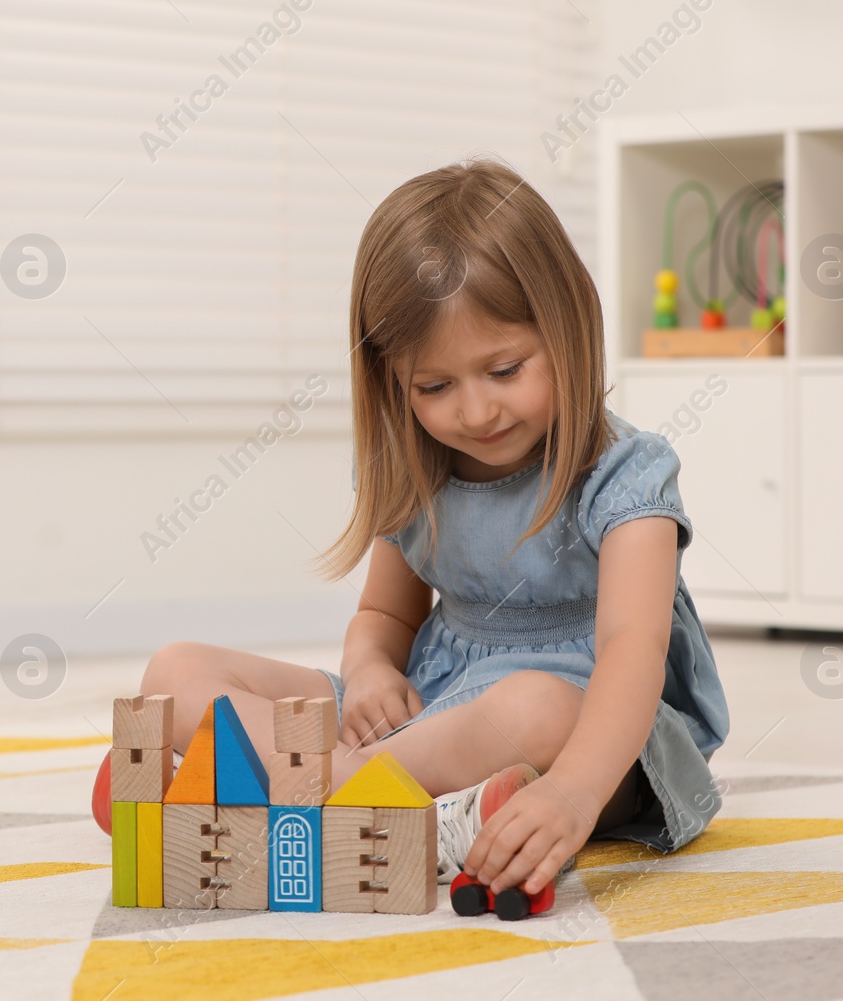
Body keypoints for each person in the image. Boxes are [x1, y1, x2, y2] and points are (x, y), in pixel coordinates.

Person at [109, 156, 729, 901]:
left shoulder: (625, 475)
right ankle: (386, 799)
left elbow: (634, 652)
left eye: (504, 370)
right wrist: (370, 669)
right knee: (174, 671)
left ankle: (297, 790)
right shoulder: (420, 470)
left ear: (568, 327)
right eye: (434, 386)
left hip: (596, 734)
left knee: (531, 708)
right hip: (436, 705)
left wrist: (572, 792)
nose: (475, 412)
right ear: (392, 380)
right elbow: (383, 616)